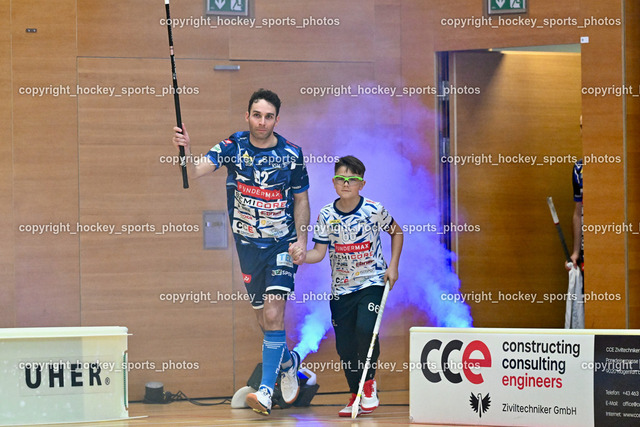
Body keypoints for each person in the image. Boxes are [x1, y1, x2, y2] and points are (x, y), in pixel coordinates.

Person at [172, 88, 310, 415]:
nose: (262, 122)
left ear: (277, 120)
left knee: (274, 314)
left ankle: (265, 391)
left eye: (269, 117)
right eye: (257, 115)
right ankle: (288, 362)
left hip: (281, 245)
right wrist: (185, 150)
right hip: (248, 248)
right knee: (264, 320)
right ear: (247, 116)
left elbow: (301, 199)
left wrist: (302, 240)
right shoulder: (233, 146)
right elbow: (193, 171)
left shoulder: (291, 154)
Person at [289, 155, 403, 417]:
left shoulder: (373, 209)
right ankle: (355, 395)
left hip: (372, 282)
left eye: (352, 179)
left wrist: (393, 266)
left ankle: (369, 384)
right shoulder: (327, 215)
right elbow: (319, 252)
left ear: (362, 184)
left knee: (366, 330)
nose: (346, 183)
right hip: (341, 290)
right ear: (334, 182)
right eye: (341, 178)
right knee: (346, 347)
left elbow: (397, 232)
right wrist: (302, 256)